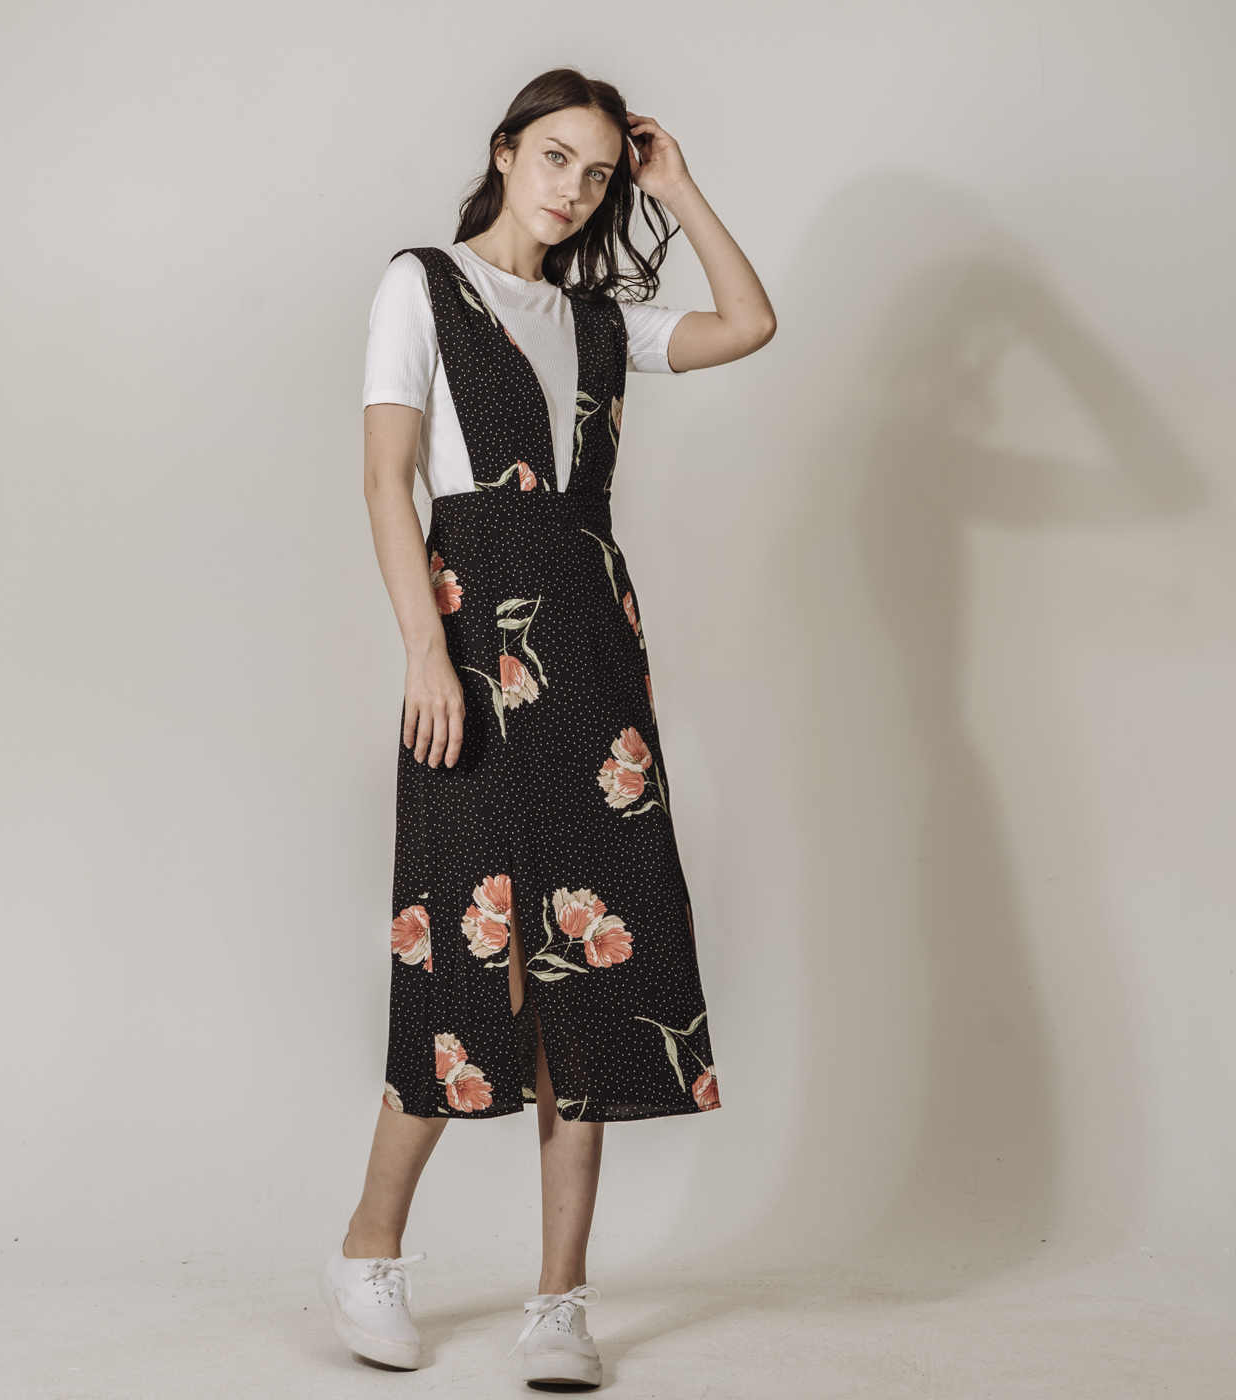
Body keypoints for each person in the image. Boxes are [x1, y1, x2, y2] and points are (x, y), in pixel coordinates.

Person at [322, 67, 775, 1388]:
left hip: (590, 657)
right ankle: (368, 1251)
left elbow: (750, 322)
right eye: (556, 157)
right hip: (470, 642)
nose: (575, 189)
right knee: (468, 956)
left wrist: (677, 187)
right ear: (506, 149)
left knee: (591, 965)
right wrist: (426, 652)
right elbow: (387, 480)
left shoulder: (599, 318)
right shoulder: (422, 286)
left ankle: (560, 1301)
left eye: (600, 173)